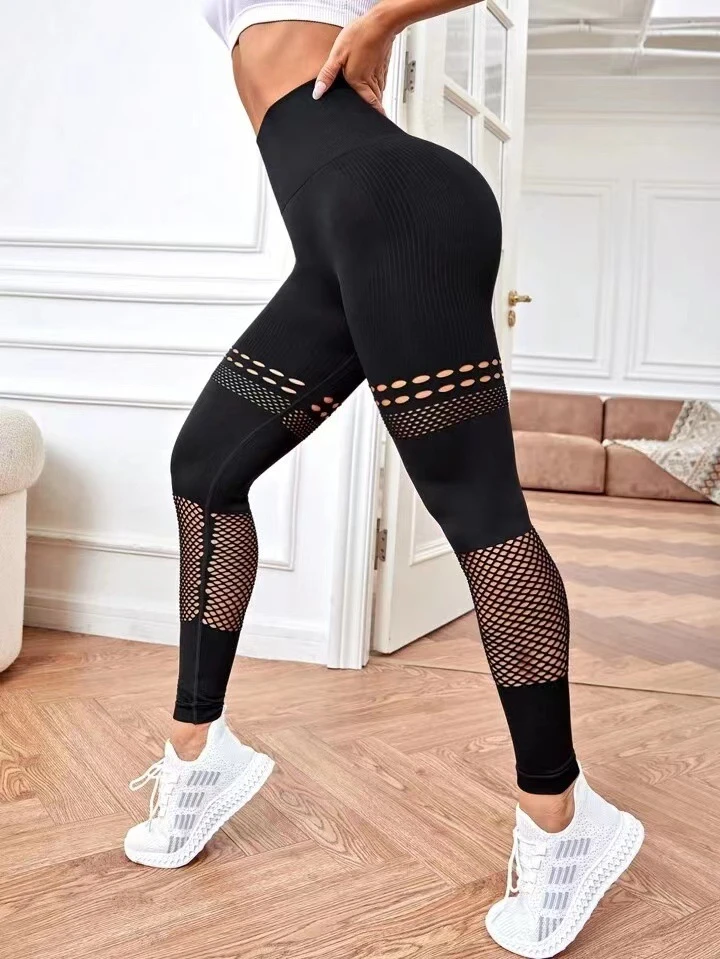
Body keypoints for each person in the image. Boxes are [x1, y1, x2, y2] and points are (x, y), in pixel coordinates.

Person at [123, 1, 644, 954]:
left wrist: (388, 21)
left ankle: (564, 818)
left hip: (398, 207)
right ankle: (199, 750)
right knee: (205, 468)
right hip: (336, 234)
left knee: (479, 511)